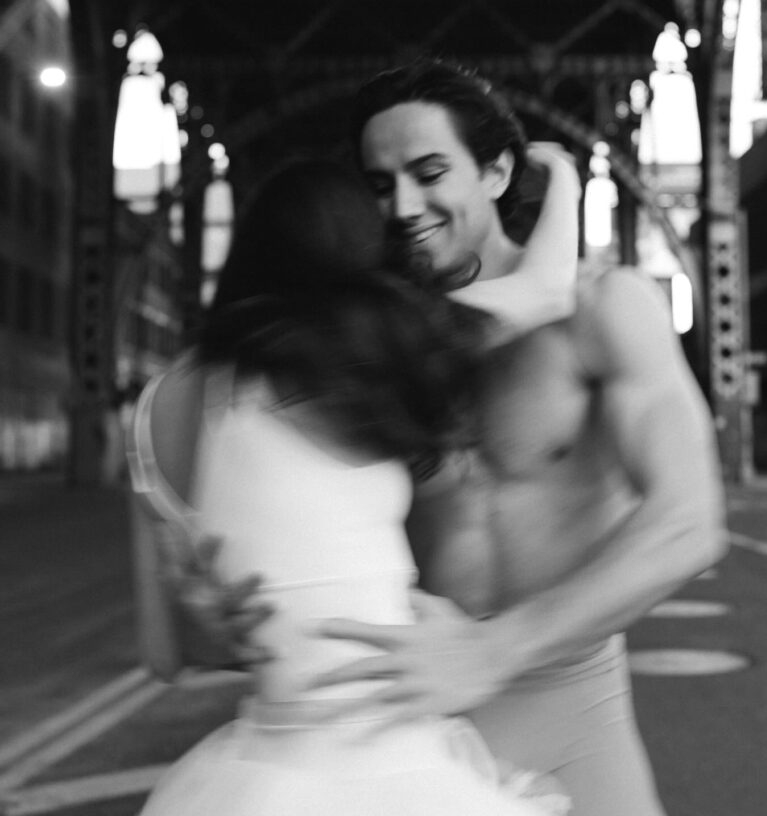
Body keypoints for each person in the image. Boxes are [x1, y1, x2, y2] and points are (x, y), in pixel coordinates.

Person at [149, 59, 726, 816]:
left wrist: (497, 649)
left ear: (494, 171)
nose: (402, 206)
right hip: (399, 718)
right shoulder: (355, 349)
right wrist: (218, 610)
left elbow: (688, 525)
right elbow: (272, 540)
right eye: (379, 185)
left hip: (569, 707)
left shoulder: (604, 307)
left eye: (428, 172)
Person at [128, 155, 580, 816]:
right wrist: (560, 172)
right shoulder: (356, 351)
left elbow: (165, 655)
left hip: (264, 770)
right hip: (393, 756)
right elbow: (549, 288)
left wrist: (234, 622)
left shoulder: (154, 408)